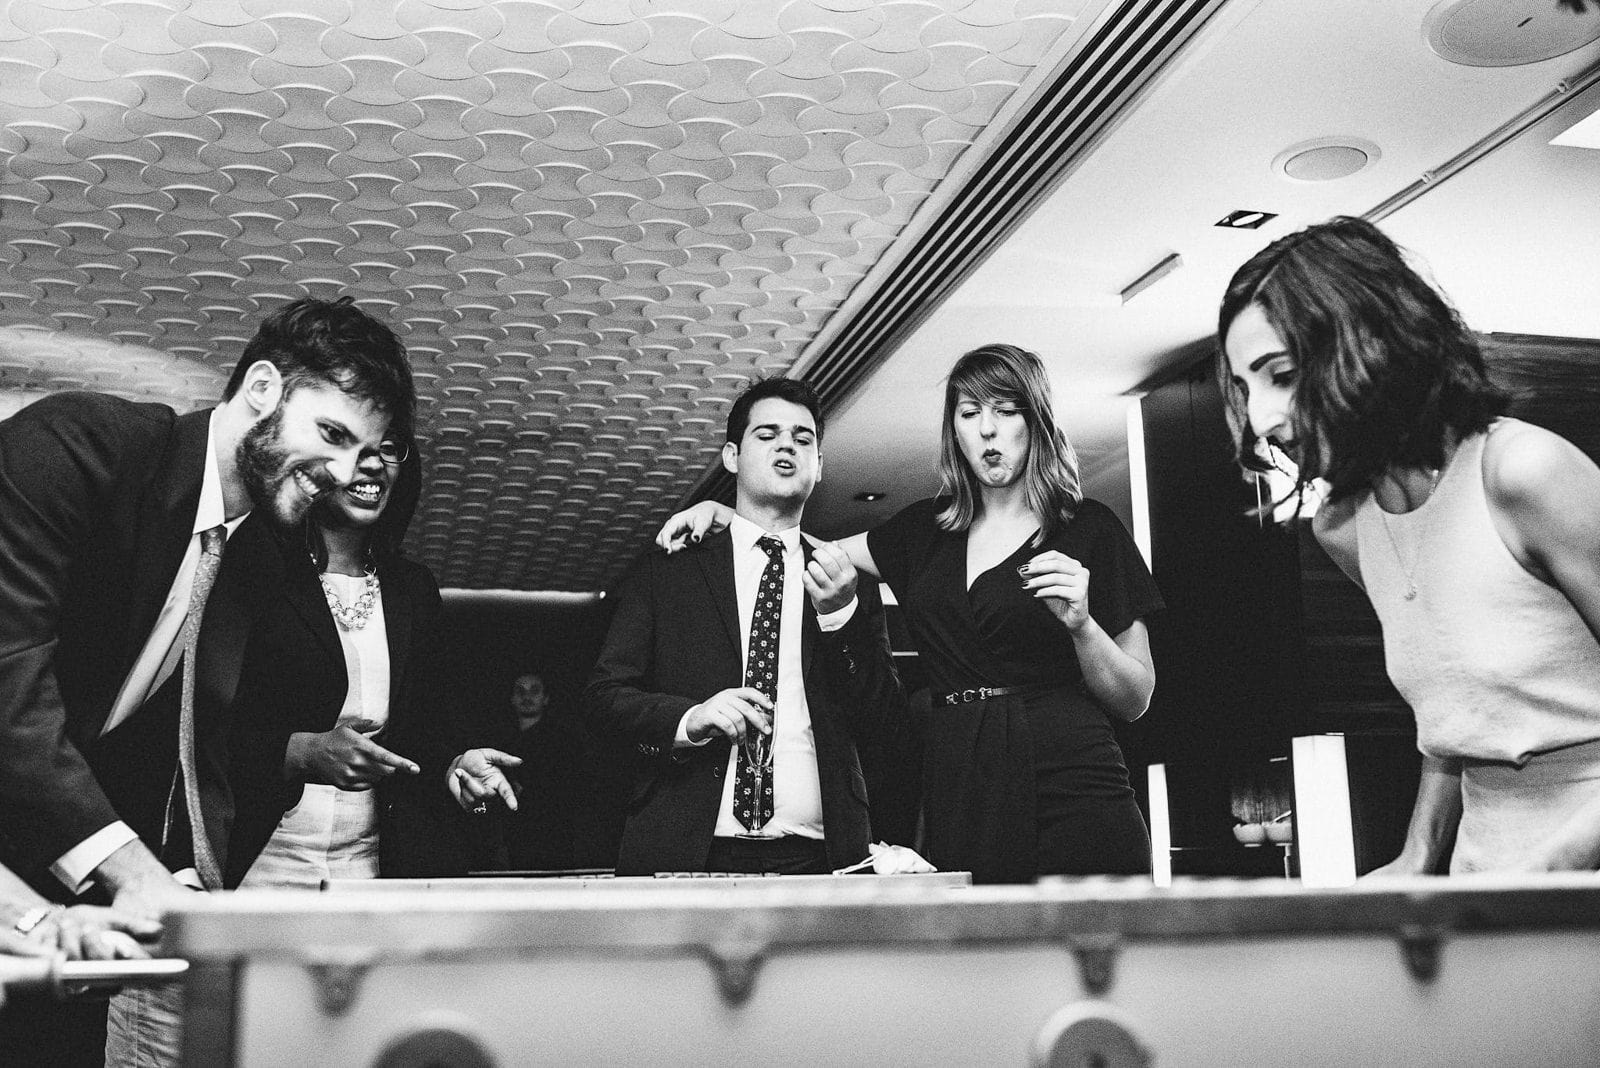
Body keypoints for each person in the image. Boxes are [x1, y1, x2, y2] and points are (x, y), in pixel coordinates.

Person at [0, 295, 415, 1066]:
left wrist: (187, 881)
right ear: (261, 388)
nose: (345, 470)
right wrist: (133, 874)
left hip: (54, 896)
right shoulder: (79, 446)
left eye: (365, 450)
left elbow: (187, 742)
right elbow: (7, 685)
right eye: (331, 433)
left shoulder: (258, 557)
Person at [660, 346, 1163, 883]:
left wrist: (1082, 624)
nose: (987, 430)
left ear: (1035, 418)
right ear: (955, 432)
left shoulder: (1089, 529)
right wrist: (729, 517)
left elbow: (1136, 698)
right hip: (960, 773)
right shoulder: (924, 530)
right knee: (977, 953)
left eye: (1005, 410)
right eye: (969, 414)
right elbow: (808, 550)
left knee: (1095, 955)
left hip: (1071, 776)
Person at [1217, 216, 1600, 875]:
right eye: (1243, 388)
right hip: (1488, 866)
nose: (1261, 421)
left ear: (1368, 344)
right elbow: (1457, 715)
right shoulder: (1342, 525)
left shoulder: (1523, 472)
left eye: (1279, 375)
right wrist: (1416, 856)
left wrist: (1561, 860)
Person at [587, 378, 906, 876]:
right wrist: (689, 718)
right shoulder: (670, 570)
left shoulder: (849, 581)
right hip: (684, 846)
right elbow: (605, 697)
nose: (787, 445)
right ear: (732, 456)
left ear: (819, 467)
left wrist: (840, 617)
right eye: (768, 435)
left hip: (822, 856)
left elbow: (884, 724)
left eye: (804, 439)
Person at [226, 438, 501, 890]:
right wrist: (300, 752)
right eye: (357, 445)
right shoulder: (254, 571)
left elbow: (423, 733)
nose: (373, 464)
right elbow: (199, 728)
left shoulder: (412, 588)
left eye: (389, 448)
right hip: (257, 859)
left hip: (371, 865)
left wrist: (453, 764)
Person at [496, 672, 585, 872]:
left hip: (552, 836)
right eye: (520, 691)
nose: (527, 697)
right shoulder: (501, 741)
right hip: (512, 837)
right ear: (511, 698)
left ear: (546, 698)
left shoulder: (563, 741)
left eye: (534, 691)